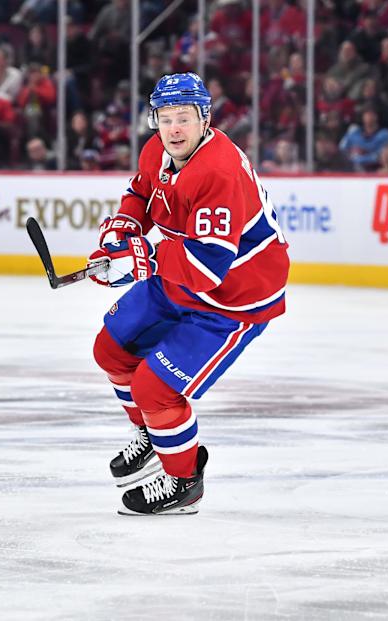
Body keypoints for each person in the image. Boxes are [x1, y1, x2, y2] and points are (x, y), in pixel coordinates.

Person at [87, 72, 290, 516]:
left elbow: (208, 267)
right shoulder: (158, 148)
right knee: (110, 350)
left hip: (235, 298)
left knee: (155, 387)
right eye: (165, 118)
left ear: (205, 119)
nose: (173, 128)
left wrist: (142, 258)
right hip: (179, 277)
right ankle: (155, 437)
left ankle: (183, 482)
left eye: (184, 118)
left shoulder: (218, 171)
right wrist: (124, 231)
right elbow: (140, 192)